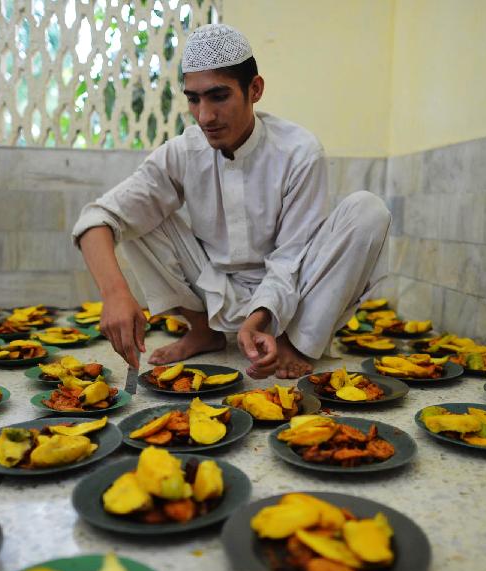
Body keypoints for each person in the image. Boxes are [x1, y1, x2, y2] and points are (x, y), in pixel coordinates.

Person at [73, 23, 390, 379]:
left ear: (254, 90)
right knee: (137, 213)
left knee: (368, 210)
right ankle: (204, 332)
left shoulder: (299, 151)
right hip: (214, 287)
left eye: (218, 96)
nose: (205, 116)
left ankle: (294, 344)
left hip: (291, 295)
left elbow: (290, 259)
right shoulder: (183, 151)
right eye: (194, 99)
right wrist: (114, 293)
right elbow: (97, 219)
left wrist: (258, 319)